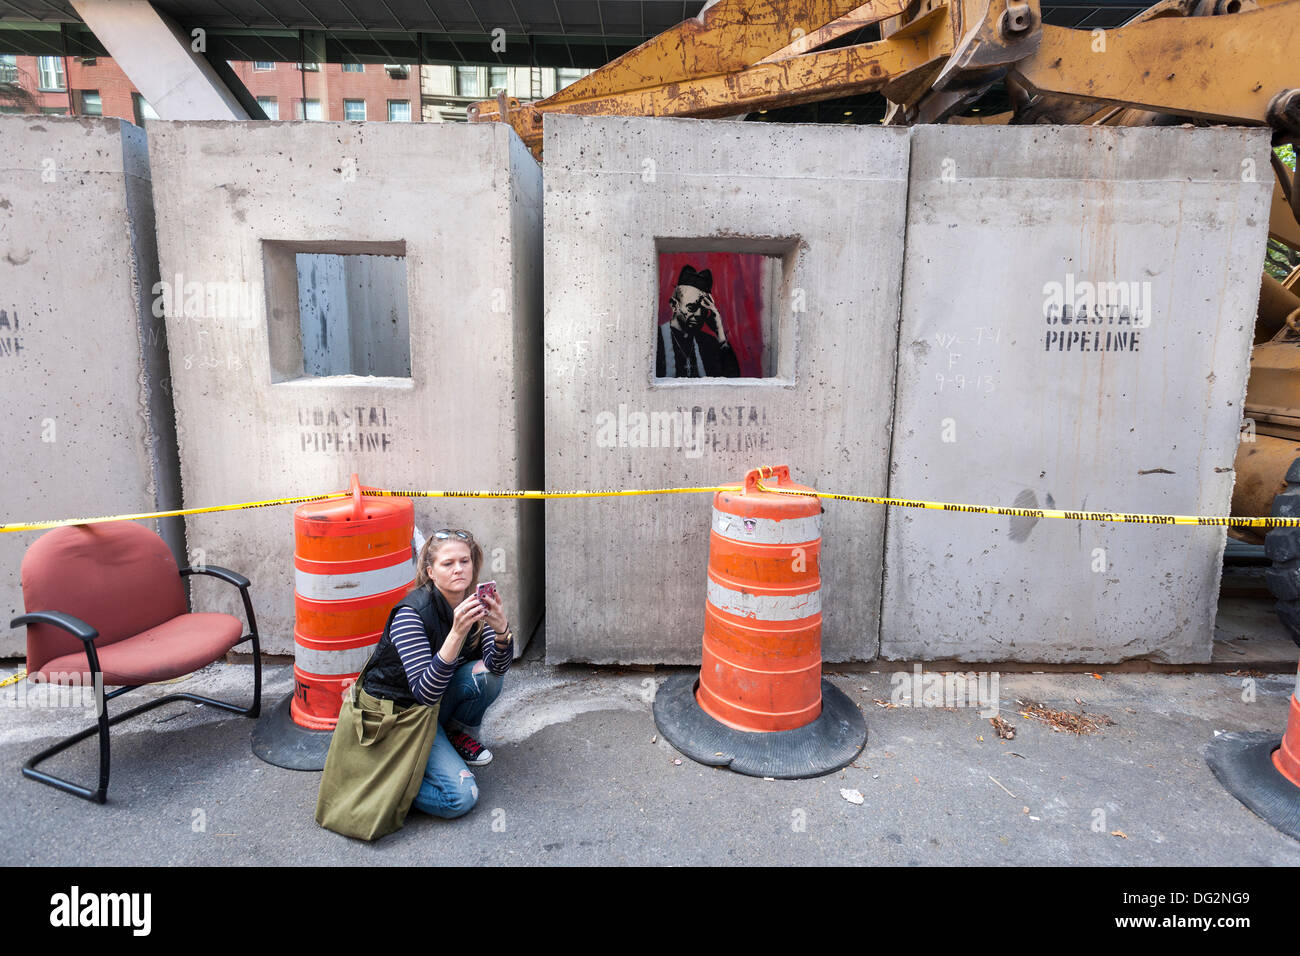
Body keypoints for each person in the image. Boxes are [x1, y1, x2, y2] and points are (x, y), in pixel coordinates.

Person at [359, 528, 514, 819]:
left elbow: (498, 667)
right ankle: (392, 785)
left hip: (433, 710)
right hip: (402, 716)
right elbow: (424, 693)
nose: (459, 569)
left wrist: (502, 630)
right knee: (461, 799)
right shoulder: (412, 613)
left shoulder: (475, 602)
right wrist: (456, 634)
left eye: (465, 561)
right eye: (448, 563)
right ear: (431, 571)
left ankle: (452, 734)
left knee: (486, 675)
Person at [656, 264, 741, 378]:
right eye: (691, 307)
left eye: (704, 309)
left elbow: (733, 379)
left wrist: (720, 333)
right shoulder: (656, 339)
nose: (699, 315)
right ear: (674, 305)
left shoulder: (708, 343)